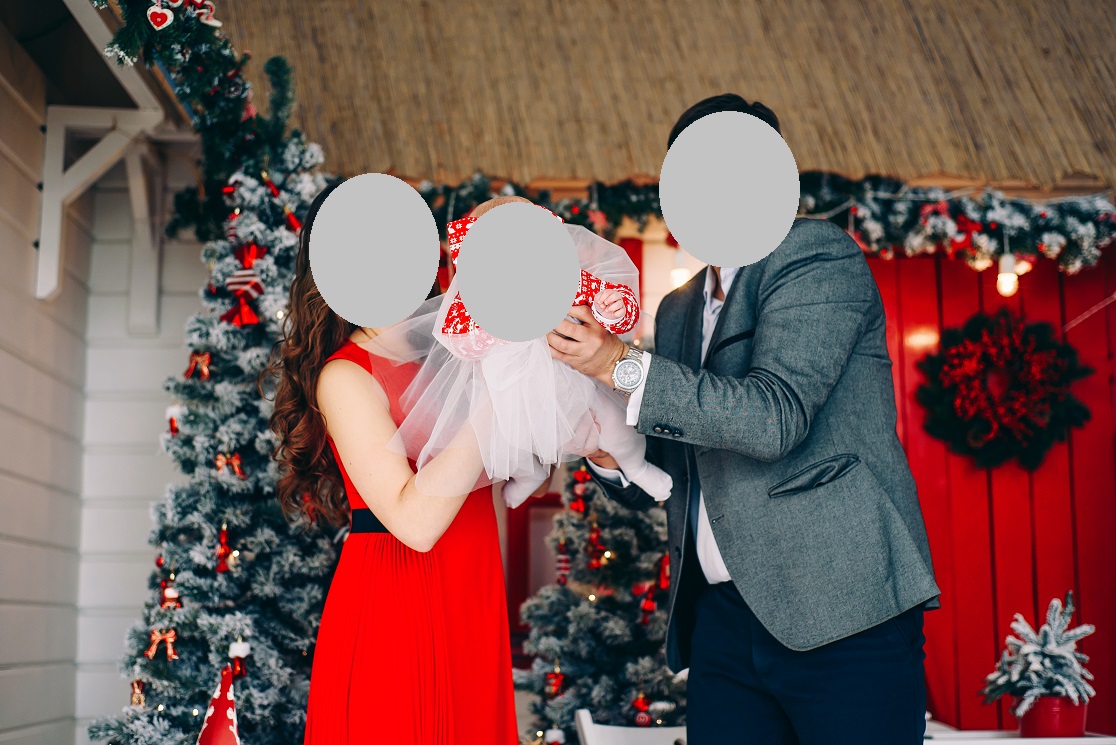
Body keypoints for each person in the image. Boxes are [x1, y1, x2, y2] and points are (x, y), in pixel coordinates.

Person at [548, 94, 941, 744]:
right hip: (724, 621)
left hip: (841, 607)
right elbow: (686, 461)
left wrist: (620, 362)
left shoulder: (815, 256)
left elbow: (774, 418)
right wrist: (612, 452)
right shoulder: (677, 308)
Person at [265, 181, 518, 744]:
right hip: (400, 600)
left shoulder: (454, 345)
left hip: (471, 594)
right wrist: (498, 398)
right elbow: (416, 523)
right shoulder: (345, 375)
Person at [385, 195, 671, 509]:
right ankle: (529, 476)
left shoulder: (568, 282)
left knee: (617, 426)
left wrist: (611, 309)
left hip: (576, 386)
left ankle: (636, 467)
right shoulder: (473, 306)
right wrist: (491, 329)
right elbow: (458, 341)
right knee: (509, 444)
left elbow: (614, 310)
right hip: (511, 396)